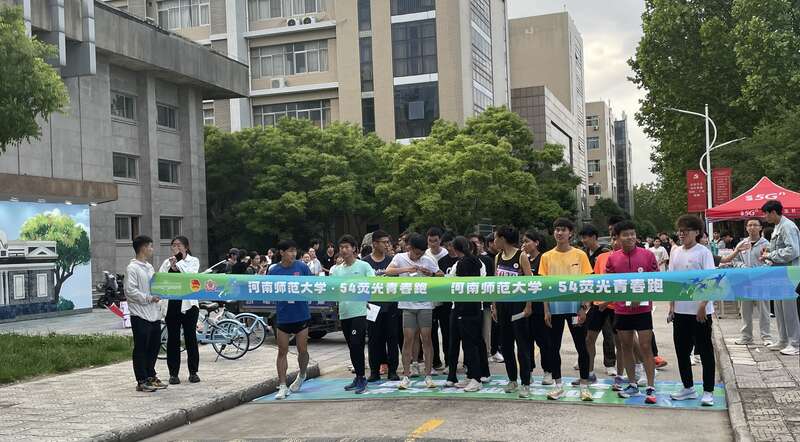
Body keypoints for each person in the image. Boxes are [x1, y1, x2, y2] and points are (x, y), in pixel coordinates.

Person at [539, 218, 593, 402]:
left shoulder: (580, 255)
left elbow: (587, 284)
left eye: (563, 230)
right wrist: (546, 309)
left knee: (581, 347)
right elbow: (544, 286)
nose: (559, 233)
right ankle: (558, 385)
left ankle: (584, 386)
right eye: (556, 229)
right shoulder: (546, 257)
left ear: (571, 233)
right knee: (553, 348)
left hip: (575, 309)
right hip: (554, 310)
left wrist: (584, 307)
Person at [605, 220, 659, 404]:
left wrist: (642, 296)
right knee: (626, 347)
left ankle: (650, 387)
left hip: (643, 309)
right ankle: (632, 384)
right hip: (622, 310)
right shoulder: (613, 258)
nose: (630, 237)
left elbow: (656, 279)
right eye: (625, 234)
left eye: (632, 234)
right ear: (617, 238)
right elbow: (609, 284)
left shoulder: (648, 255)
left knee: (645, 346)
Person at [669, 215, 717, 406]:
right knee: (681, 351)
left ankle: (708, 391)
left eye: (686, 231)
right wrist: (671, 307)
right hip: (681, 311)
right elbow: (672, 281)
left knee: (705, 351)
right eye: (680, 231)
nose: (682, 234)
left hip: (700, 312)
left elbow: (711, 280)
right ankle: (688, 388)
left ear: (697, 232)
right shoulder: (675, 252)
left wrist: (703, 305)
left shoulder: (703, 252)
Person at [386, 233, 439, 390]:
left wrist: (431, 274)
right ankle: (406, 375)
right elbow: (388, 271)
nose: (419, 256)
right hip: (407, 304)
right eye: (417, 253)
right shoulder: (400, 257)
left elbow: (441, 274)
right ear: (410, 248)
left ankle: (428, 375)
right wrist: (406, 269)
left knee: (426, 338)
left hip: (425, 305)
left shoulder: (428, 259)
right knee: (408, 339)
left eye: (421, 253)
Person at [490, 226, 534, 398]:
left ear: (503, 239)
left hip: (518, 306)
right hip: (502, 306)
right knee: (506, 344)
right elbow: (495, 283)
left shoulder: (521, 256)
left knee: (522, 345)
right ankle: (512, 379)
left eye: (496, 238)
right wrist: (494, 305)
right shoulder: (498, 257)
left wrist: (528, 305)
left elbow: (529, 282)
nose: (494, 241)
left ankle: (526, 383)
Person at [331, 235, 375, 394]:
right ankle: (358, 376)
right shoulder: (336, 270)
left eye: (347, 247)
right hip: (344, 312)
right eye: (341, 247)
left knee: (357, 344)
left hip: (360, 312)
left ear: (354, 248)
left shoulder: (363, 266)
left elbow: (373, 284)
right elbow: (332, 289)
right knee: (351, 346)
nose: (343, 250)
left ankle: (362, 377)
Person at [269, 239, 312, 400]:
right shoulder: (274, 270)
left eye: (295, 250)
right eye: (290, 251)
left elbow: (313, 285)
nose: (293, 254)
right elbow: (268, 290)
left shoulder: (302, 267)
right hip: (283, 316)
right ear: (282, 252)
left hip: (301, 315)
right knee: (282, 351)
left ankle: (302, 374)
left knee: (302, 350)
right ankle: (282, 385)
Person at [720, 218, 773, 347]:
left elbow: (770, 261)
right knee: (745, 310)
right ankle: (746, 336)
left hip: (761, 280)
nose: (752, 227)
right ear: (746, 228)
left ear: (760, 228)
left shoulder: (767, 244)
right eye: (749, 225)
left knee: (764, 310)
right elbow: (735, 260)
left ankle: (766, 337)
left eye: (755, 225)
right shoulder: (742, 244)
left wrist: (759, 270)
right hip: (745, 281)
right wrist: (742, 266)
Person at [445, 236, 487, 392]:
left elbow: (457, 284)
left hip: (466, 308)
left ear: (456, 249)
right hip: (472, 308)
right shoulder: (475, 260)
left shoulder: (464, 263)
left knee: (470, 345)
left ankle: (476, 379)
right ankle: (471, 377)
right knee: (471, 344)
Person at [158, 236, 201, 385]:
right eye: (174, 245)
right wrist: (171, 266)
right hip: (172, 305)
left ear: (186, 247)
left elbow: (191, 276)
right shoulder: (167, 262)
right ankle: (173, 374)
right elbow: (161, 278)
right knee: (173, 340)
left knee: (190, 338)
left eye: (179, 245)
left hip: (189, 305)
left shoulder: (193, 261)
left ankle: (193, 372)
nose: (176, 247)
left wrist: (179, 263)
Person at [760, 200, 800, 356]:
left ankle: (795, 343)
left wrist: (771, 255)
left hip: (789, 273)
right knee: (779, 308)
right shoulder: (778, 226)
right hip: (778, 273)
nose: (765, 217)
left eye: (766, 213)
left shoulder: (787, 226)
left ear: (773, 212)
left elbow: (793, 251)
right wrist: (768, 253)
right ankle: (783, 340)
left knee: (790, 310)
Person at [125, 235, 165, 392]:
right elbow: (130, 291)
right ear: (143, 248)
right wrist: (148, 298)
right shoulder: (132, 268)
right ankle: (141, 380)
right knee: (141, 348)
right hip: (140, 315)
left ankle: (150, 375)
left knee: (154, 347)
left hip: (153, 314)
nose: (152, 249)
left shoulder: (149, 267)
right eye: (150, 246)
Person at [579, 224, 617, 377]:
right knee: (588, 335)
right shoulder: (583, 253)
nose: (583, 240)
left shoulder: (605, 252)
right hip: (592, 298)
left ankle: (610, 363)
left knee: (609, 334)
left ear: (594, 237)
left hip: (609, 301)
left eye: (585, 237)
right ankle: (588, 369)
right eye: (582, 238)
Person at [364, 230, 400, 382]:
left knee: (392, 339)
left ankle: (393, 371)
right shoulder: (365, 263)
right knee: (374, 340)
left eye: (388, 242)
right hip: (372, 307)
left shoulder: (392, 261)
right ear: (374, 244)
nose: (387, 245)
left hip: (391, 306)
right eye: (384, 242)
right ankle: (374, 371)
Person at [522, 230, 553, 384]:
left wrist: (547, 310)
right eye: (523, 241)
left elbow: (546, 285)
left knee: (543, 341)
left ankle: (548, 371)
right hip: (525, 308)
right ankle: (528, 371)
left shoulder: (544, 259)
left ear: (536, 243)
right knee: (526, 341)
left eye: (527, 241)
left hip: (540, 307)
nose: (524, 244)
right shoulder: (524, 259)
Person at [426, 227, 450, 372]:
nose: (433, 244)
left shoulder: (446, 254)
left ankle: (449, 361)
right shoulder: (425, 254)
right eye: (430, 241)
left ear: (440, 240)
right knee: (431, 332)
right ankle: (435, 362)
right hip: (430, 299)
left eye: (435, 241)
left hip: (445, 299)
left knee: (447, 332)